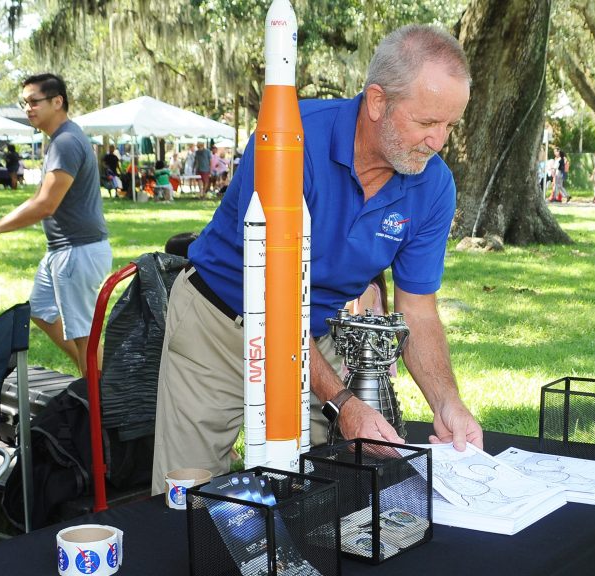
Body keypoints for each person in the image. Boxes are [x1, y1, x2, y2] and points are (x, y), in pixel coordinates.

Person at [151, 25, 483, 495]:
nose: (438, 142)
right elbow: (273, 298)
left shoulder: (433, 186)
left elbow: (418, 309)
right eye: (428, 122)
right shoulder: (290, 141)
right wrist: (343, 402)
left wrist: (446, 401)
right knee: (190, 497)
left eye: (451, 125)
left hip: (311, 335)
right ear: (376, 101)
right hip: (219, 325)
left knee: (325, 491)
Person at [0, 73, 112, 377]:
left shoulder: (66, 142)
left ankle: (102, 405)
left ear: (58, 102)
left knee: (84, 338)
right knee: (41, 310)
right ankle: (91, 379)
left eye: (34, 101)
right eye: (25, 102)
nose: (28, 108)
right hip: (62, 251)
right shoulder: (62, 140)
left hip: (77, 252)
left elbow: (46, 205)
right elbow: (42, 197)